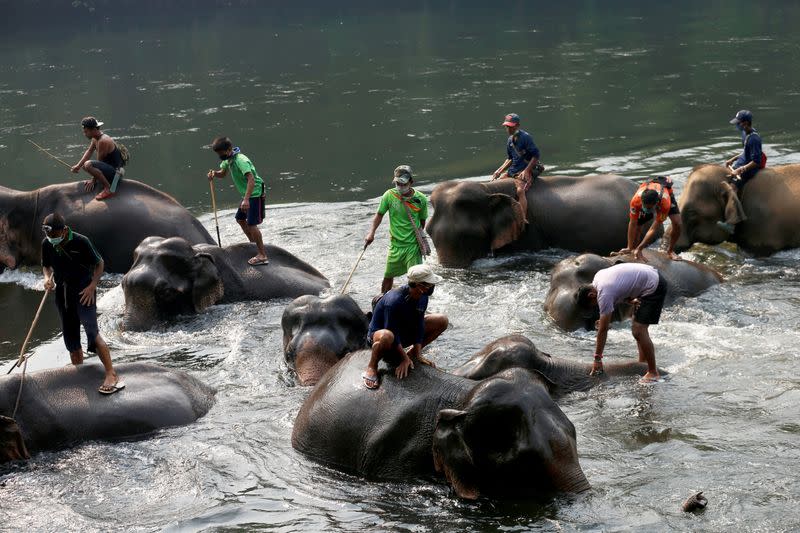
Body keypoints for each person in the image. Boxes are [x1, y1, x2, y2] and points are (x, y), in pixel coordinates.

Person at [41, 212, 124, 394]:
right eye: (49, 236)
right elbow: (46, 265)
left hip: (83, 292)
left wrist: (92, 285)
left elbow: (99, 262)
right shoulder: (47, 243)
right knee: (71, 339)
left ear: (63, 231)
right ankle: (79, 373)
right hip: (63, 294)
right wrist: (47, 278)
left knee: (92, 331)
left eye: (54, 235)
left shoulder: (81, 241)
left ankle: (111, 373)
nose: (51, 239)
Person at [576, 262, 668, 384]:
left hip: (654, 286)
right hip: (649, 276)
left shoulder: (604, 292)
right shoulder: (598, 278)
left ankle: (653, 372)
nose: (597, 305)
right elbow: (620, 284)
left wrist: (597, 359)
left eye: (595, 305)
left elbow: (603, 330)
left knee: (639, 330)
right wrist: (630, 300)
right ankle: (643, 364)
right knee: (636, 331)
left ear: (591, 295)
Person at [362, 264, 449, 389]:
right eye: (429, 283)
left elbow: (419, 323)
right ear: (420, 286)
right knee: (387, 336)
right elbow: (392, 330)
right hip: (383, 336)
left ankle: (412, 354)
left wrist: (418, 352)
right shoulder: (394, 301)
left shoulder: (423, 296)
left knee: (442, 320)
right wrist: (403, 359)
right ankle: (372, 366)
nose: (432, 286)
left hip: (403, 330)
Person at [364, 165, 429, 294]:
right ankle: (382, 300)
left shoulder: (420, 199)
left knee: (415, 279)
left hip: (412, 246)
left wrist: (417, 239)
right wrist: (371, 233)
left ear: (411, 182)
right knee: (388, 276)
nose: (400, 186)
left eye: (403, 183)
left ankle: (414, 305)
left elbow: (422, 223)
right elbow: (379, 215)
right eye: (397, 183)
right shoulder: (389, 195)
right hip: (395, 246)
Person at [207, 137, 269, 266]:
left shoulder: (241, 160)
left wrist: (246, 199)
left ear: (229, 150)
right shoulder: (228, 159)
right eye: (218, 154)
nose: (220, 156)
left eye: (221, 153)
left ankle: (262, 255)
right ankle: (253, 244)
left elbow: (251, 179)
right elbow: (223, 173)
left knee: (252, 224)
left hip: (255, 193)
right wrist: (214, 174)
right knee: (240, 219)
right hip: (247, 193)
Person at [490, 113, 543, 220]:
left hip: (525, 169)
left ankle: (522, 219)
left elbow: (536, 155)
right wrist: (499, 170)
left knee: (520, 191)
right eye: (507, 126)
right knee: (497, 183)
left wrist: (527, 171)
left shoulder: (526, 137)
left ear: (517, 125)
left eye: (511, 126)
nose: (508, 129)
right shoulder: (510, 140)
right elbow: (510, 158)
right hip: (513, 170)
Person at [618, 176, 682, 261]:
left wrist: (640, 248)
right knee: (638, 225)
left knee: (677, 223)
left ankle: (670, 251)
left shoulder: (665, 204)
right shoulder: (635, 201)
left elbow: (653, 228)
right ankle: (632, 249)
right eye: (645, 207)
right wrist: (629, 247)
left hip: (666, 193)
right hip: (648, 190)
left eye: (650, 208)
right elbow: (632, 223)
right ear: (642, 201)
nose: (647, 210)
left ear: (656, 203)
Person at [70, 117, 124, 201]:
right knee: (84, 165)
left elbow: (99, 162)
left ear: (94, 129)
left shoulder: (103, 141)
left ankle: (108, 189)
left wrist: (93, 180)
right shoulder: (95, 138)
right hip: (108, 167)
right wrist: (78, 166)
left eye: (86, 132)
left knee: (88, 165)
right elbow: (89, 151)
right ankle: (103, 182)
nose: (85, 134)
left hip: (116, 173)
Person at [725, 109, 764, 192]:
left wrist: (740, 170)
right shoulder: (744, 132)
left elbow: (756, 162)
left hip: (749, 169)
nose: (737, 125)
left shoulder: (754, 139)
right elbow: (745, 151)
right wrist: (732, 159)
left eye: (738, 123)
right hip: (742, 162)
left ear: (745, 123)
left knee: (731, 189)